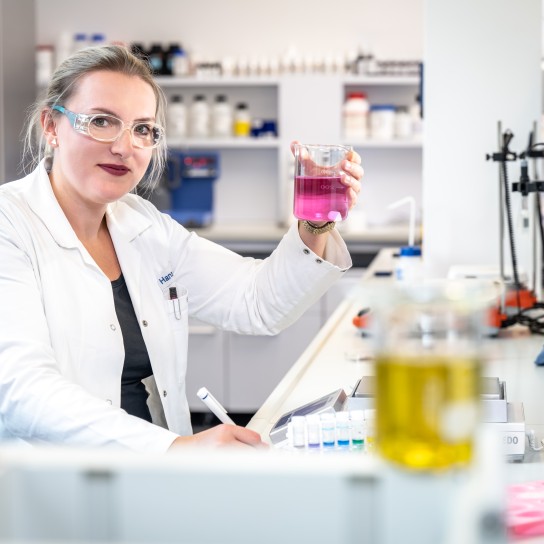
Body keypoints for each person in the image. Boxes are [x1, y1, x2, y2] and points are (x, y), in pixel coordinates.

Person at [0, 45, 363, 453]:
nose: (125, 147)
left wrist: (315, 221)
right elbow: (21, 389)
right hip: (52, 489)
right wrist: (176, 448)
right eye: (101, 121)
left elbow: (256, 302)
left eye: (142, 129)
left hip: (152, 477)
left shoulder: (142, 223)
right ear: (51, 126)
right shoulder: (9, 224)